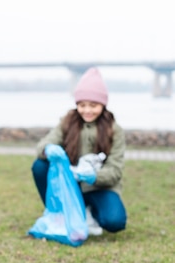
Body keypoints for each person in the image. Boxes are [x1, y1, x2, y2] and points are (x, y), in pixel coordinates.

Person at [32, 67, 127, 235]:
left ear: (103, 105)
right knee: (40, 166)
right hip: (71, 184)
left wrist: (93, 176)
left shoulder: (114, 130)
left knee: (115, 221)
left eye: (93, 105)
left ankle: (89, 212)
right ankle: (59, 213)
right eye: (82, 105)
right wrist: (48, 150)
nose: (87, 110)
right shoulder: (67, 122)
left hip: (99, 187)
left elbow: (115, 170)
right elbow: (43, 144)